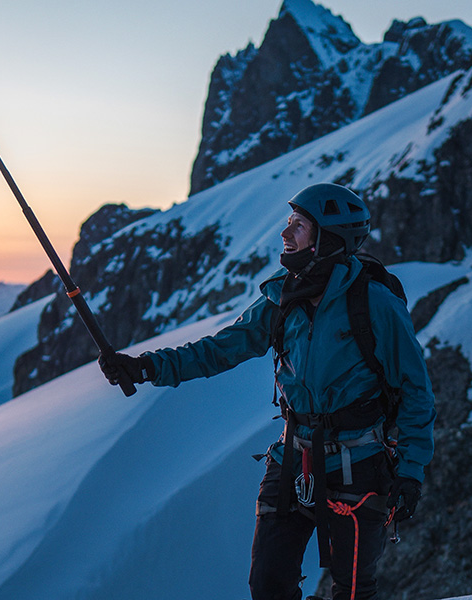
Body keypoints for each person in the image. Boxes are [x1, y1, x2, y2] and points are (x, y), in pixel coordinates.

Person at [98, 183, 436, 600]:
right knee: (268, 586)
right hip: (294, 458)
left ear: (327, 239)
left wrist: (410, 471)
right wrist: (147, 366)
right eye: (288, 222)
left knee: (351, 593)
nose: (285, 232)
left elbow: (416, 389)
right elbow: (223, 348)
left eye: (298, 225)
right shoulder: (283, 294)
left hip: (361, 463)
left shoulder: (375, 303)